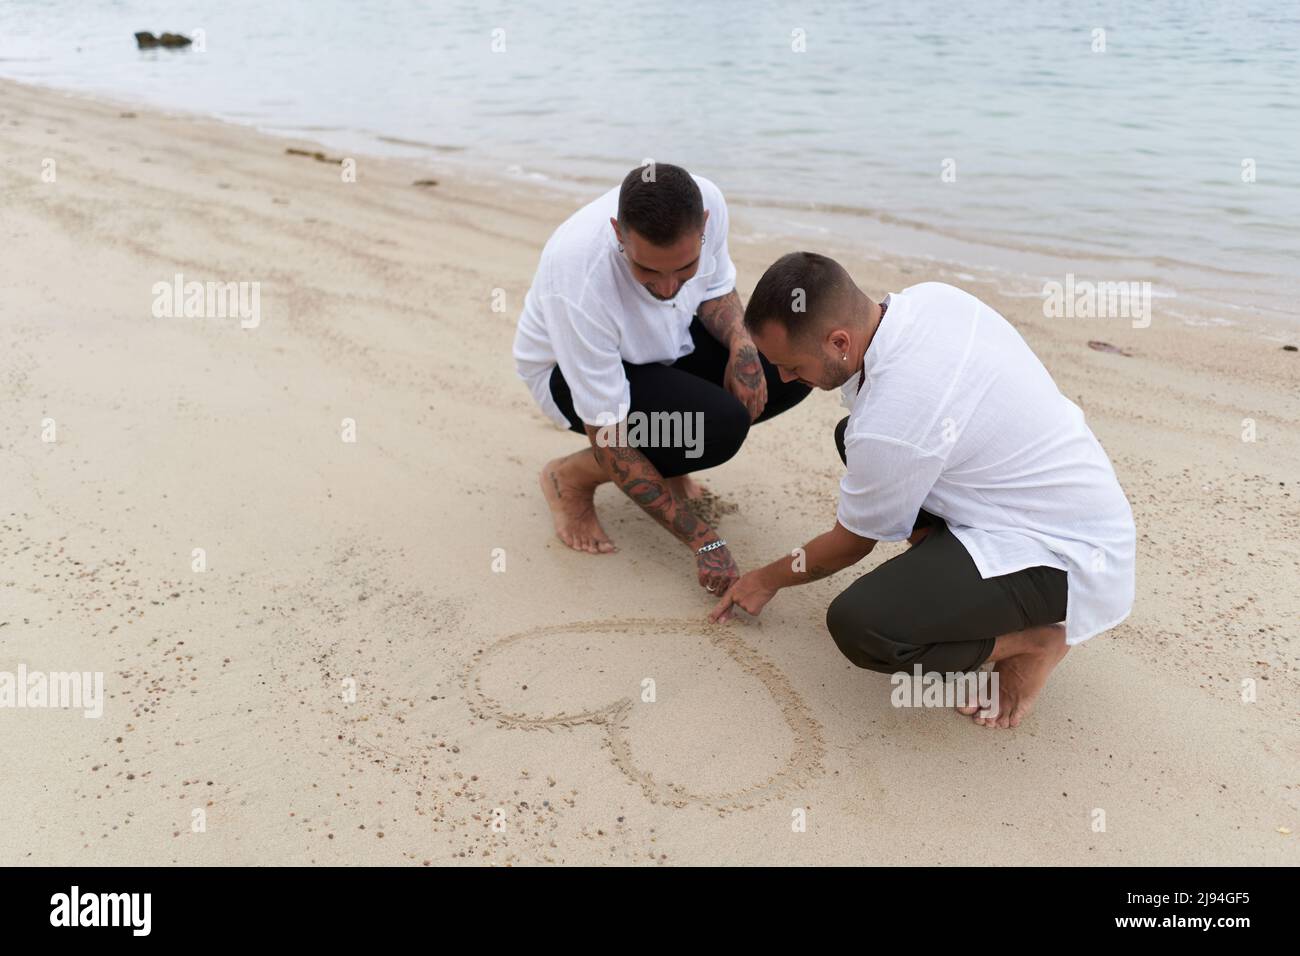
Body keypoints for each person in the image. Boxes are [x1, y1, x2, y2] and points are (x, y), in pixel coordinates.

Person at [710, 252, 1136, 729]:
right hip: (1054, 500)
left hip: (1067, 555)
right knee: (852, 440)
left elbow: (849, 545)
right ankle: (955, 579)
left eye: (792, 366)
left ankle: (1034, 642)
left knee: (861, 625)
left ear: (839, 342)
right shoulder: (929, 299)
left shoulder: (892, 419)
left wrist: (764, 579)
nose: (786, 378)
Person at [513, 164, 811, 594]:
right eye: (649, 272)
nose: (669, 286)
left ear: (703, 224)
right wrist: (701, 538)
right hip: (568, 375)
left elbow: (715, 290)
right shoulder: (577, 277)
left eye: (684, 267)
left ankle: (670, 460)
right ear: (619, 233)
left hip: (666, 343)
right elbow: (608, 431)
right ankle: (571, 477)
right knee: (716, 429)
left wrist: (743, 348)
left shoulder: (708, 201)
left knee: (791, 366)